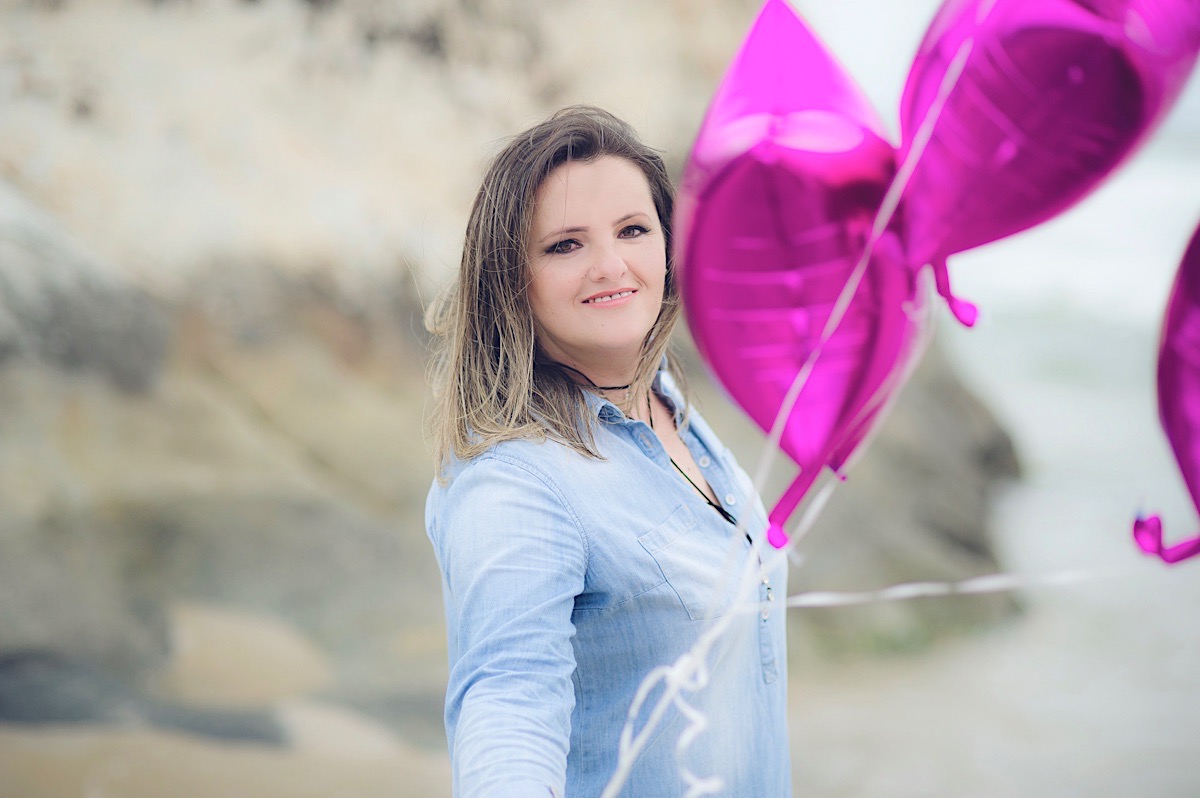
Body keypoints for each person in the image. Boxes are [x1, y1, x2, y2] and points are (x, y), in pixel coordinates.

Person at [424, 105, 791, 797]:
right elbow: (508, 700)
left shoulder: (668, 407)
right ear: (511, 278)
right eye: (566, 244)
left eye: (632, 230)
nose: (611, 265)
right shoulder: (511, 483)